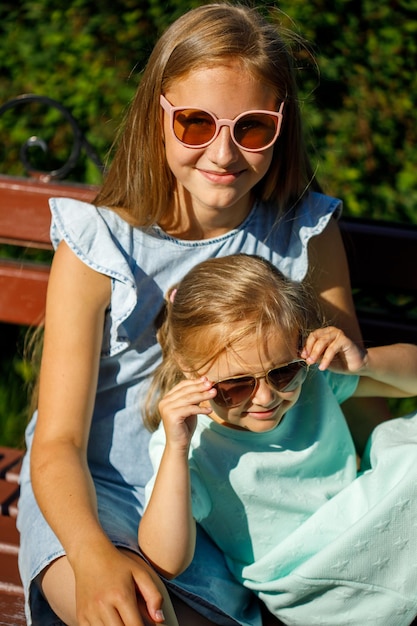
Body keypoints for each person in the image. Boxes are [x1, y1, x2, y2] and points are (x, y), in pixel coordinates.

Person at [17, 3, 387, 625]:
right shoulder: (101, 245)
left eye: (251, 127)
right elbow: (59, 441)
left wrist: (376, 490)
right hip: (93, 493)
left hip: (227, 505)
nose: (223, 152)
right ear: (156, 118)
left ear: (281, 125)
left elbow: (350, 387)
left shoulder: (303, 233)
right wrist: (90, 555)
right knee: (121, 609)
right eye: (194, 123)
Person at [140, 253, 417, 626]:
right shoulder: (189, 445)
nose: (267, 397)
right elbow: (166, 561)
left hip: (364, 521)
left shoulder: (312, 381)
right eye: (236, 385)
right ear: (190, 370)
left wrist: (363, 361)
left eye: (282, 372)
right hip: (308, 580)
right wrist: (176, 448)